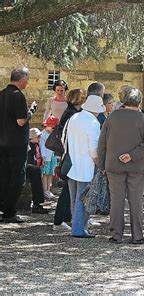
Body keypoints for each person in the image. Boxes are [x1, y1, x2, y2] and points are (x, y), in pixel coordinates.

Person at [98, 87, 144, 244]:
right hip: (136, 166)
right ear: (139, 102)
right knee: (136, 200)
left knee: (116, 200)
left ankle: (116, 234)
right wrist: (133, 155)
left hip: (113, 165)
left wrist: (102, 165)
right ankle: (137, 235)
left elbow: (102, 143)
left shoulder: (112, 117)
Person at [0, 66, 37, 223]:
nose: (27, 82)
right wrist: (32, 111)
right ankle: (9, 211)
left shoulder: (1, 94)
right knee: (17, 177)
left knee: (3, 175)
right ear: (22, 79)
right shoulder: (18, 96)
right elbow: (21, 121)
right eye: (27, 79)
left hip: (2, 141)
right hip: (16, 143)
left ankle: (3, 206)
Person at [66, 94, 104, 238]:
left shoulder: (74, 118)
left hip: (72, 163)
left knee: (74, 199)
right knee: (84, 200)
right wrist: (100, 165)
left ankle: (77, 228)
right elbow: (93, 150)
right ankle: (78, 229)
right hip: (86, 165)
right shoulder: (93, 123)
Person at [53, 88, 86, 231]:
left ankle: (66, 218)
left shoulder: (70, 112)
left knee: (69, 188)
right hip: (72, 155)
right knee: (68, 189)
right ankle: (59, 220)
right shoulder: (73, 114)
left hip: (71, 154)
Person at [27, 128, 49, 214]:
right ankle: (37, 204)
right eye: (38, 136)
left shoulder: (36, 146)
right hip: (28, 168)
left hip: (33, 168)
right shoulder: (29, 146)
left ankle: (38, 203)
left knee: (36, 171)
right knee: (35, 171)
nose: (40, 138)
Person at [39, 115, 60, 199]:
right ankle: (45, 190)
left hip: (52, 156)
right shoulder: (43, 135)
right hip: (46, 157)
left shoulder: (53, 134)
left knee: (51, 173)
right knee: (45, 173)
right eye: (52, 128)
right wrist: (43, 157)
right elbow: (42, 147)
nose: (53, 130)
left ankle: (48, 189)